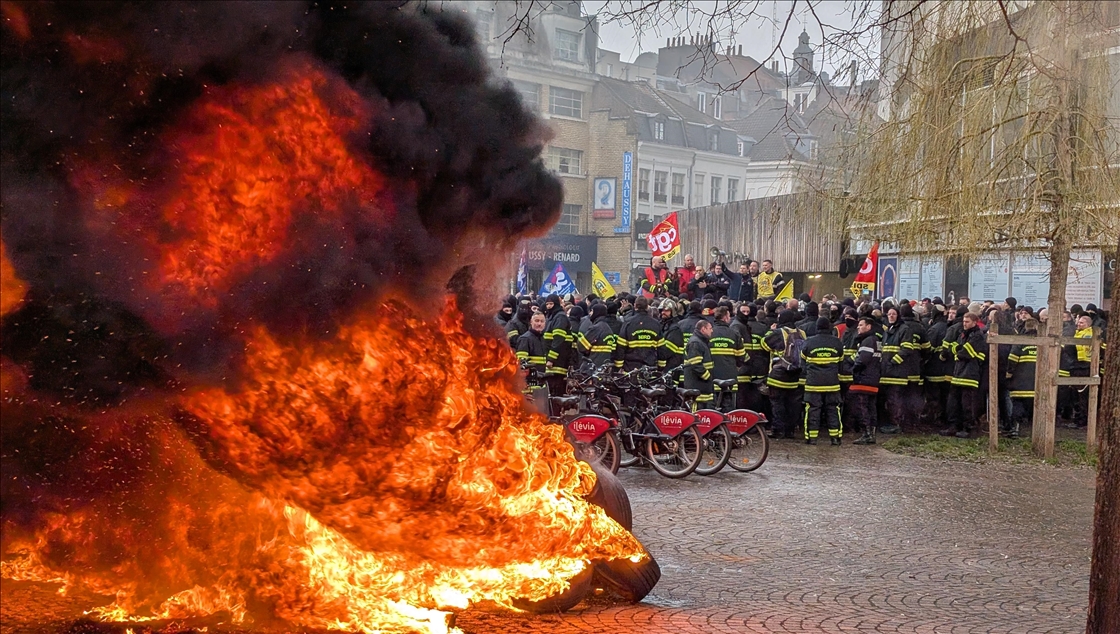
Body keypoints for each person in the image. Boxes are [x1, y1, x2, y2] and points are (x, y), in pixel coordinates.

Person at [801, 317, 844, 445]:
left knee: (813, 410)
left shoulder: (809, 342)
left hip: (813, 384)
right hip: (832, 384)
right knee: (833, 410)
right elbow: (841, 364)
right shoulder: (837, 343)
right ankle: (835, 438)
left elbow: (802, 363)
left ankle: (812, 438)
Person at [762, 310, 804, 439]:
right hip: (795, 375)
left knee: (777, 403)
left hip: (778, 374)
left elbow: (764, 344)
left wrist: (771, 330)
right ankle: (790, 431)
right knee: (792, 404)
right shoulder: (801, 333)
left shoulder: (780, 333)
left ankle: (778, 429)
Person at [944, 312, 987, 438]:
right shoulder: (963, 334)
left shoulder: (977, 336)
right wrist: (957, 350)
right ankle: (953, 427)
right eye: (963, 321)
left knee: (968, 405)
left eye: (967, 322)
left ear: (974, 322)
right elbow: (954, 348)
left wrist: (957, 350)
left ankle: (969, 429)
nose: (964, 324)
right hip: (958, 374)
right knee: (953, 403)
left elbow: (966, 352)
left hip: (969, 375)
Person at [878, 306, 914, 434]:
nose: (891, 316)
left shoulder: (904, 329)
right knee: (889, 399)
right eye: (889, 314)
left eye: (893, 314)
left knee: (895, 399)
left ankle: (897, 424)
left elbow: (907, 349)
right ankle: (890, 422)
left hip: (897, 372)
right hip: (887, 372)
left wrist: (894, 362)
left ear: (898, 315)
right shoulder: (888, 330)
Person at [848, 316, 882, 445]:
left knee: (862, 407)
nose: (858, 327)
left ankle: (866, 433)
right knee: (871, 407)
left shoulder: (867, 341)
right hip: (873, 378)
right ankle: (871, 434)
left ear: (868, 327)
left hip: (864, 379)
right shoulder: (876, 340)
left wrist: (852, 370)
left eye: (861, 325)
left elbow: (862, 360)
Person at [731, 302, 770, 413]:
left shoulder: (744, 326)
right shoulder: (737, 326)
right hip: (743, 368)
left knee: (750, 397)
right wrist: (746, 359)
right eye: (743, 311)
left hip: (751, 368)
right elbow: (738, 346)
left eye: (747, 312)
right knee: (743, 397)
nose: (746, 314)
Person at [1006, 317, 1039, 439]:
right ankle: (1034, 432)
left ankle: (1016, 429)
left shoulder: (1020, 342)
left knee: (1018, 404)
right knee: (1035, 407)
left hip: (1020, 381)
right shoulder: (1043, 342)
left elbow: (1012, 360)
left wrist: (1009, 375)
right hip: (1037, 383)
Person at [709, 306, 745, 404]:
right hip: (730, 376)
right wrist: (737, 366)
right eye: (729, 316)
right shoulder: (734, 333)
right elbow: (741, 356)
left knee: (712, 407)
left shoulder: (709, 333)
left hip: (712, 376)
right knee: (728, 405)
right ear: (725, 317)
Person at [542, 294, 574, 397]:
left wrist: (551, 358)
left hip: (558, 363)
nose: (549, 306)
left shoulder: (560, 317)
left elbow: (558, 339)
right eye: (547, 304)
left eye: (551, 304)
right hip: (553, 362)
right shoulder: (552, 317)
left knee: (556, 390)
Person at [617, 296, 661, 371]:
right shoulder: (656, 324)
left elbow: (621, 346)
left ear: (635, 306)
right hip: (650, 367)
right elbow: (661, 347)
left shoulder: (628, 323)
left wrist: (619, 365)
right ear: (647, 307)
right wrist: (661, 366)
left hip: (630, 367)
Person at [683, 318, 716, 405]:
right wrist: (707, 376)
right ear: (703, 329)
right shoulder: (696, 343)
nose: (712, 331)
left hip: (702, 385)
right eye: (710, 328)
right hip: (697, 385)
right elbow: (696, 364)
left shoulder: (701, 341)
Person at [577, 303, 617, 369]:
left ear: (597, 312)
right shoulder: (608, 329)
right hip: (604, 368)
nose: (590, 313)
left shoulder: (595, 328)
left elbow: (581, 347)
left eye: (592, 311)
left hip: (592, 367)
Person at [516, 312, 549, 377]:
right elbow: (521, 362)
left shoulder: (544, 339)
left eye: (542, 321)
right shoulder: (525, 339)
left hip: (542, 378)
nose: (539, 324)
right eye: (536, 321)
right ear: (531, 322)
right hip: (530, 380)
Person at [657, 298, 685, 371]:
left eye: (666, 310)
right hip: (666, 367)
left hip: (672, 368)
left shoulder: (676, 329)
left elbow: (666, 352)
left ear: (673, 311)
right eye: (662, 310)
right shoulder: (662, 325)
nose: (663, 312)